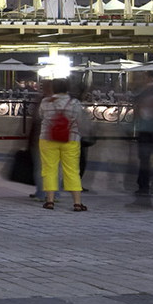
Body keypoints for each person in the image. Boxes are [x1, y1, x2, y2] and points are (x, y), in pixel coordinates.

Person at [36, 77, 90, 211]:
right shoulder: (74, 103)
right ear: (67, 88)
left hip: (48, 138)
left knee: (49, 169)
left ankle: (49, 201)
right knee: (72, 171)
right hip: (71, 139)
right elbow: (80, 120)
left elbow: (41, 115)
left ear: (54, 88)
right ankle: (77, 203)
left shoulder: (46, 102)